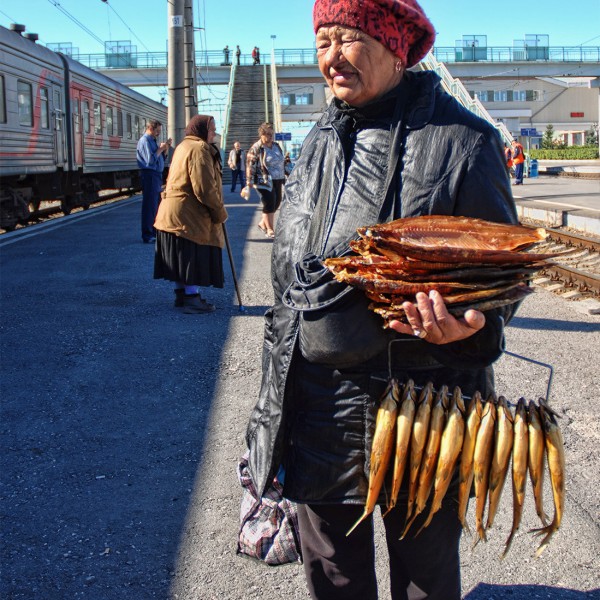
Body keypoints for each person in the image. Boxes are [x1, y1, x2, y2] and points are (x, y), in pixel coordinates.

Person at [243, 1, 518, 599]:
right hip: (319, 408)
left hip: (420, 405)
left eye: (347, 39)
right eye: (322, 42)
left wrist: (475, 326)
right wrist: (270, 406)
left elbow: (507, 270)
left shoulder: (463, 141)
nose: (330, 59)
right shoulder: (317, 141)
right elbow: (291, 276)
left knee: (424, 573)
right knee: (333, 573)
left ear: (396, 46)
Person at [153, 115, 228, 314]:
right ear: (202, 130)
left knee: (181, 256)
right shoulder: (199, 148)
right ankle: (192, 298)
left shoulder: (183, 146)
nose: (214, 132)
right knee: (191, 256)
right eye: (211, 129)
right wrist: (219, 212)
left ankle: (182, 296)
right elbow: (204, 189)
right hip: (187, 215)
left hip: (172, 214)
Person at [243, 122, 285, 238]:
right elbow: (250, 165)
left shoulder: (276, 146)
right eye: (267, 134)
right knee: (269, 203)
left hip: (278, 179)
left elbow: (281, 161)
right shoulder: (257, 148)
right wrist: (249, 181)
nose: (270, 136)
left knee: (276, 203)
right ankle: (270, 229)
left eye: (271, 134)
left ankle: (262, 223)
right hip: (264, 180)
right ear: (261, 135)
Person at [136, 120, 170, 243]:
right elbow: (149, 161)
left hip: (156, 175)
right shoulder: (145, 141)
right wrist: (160, 149)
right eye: (157, 131)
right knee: (150, 205)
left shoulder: (152, 141)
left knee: (156, 205)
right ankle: (147, 234)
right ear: (150, 128)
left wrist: (165, 149)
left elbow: (158, 158)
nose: (158, 133)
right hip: (150, 175)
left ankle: (154, 231)